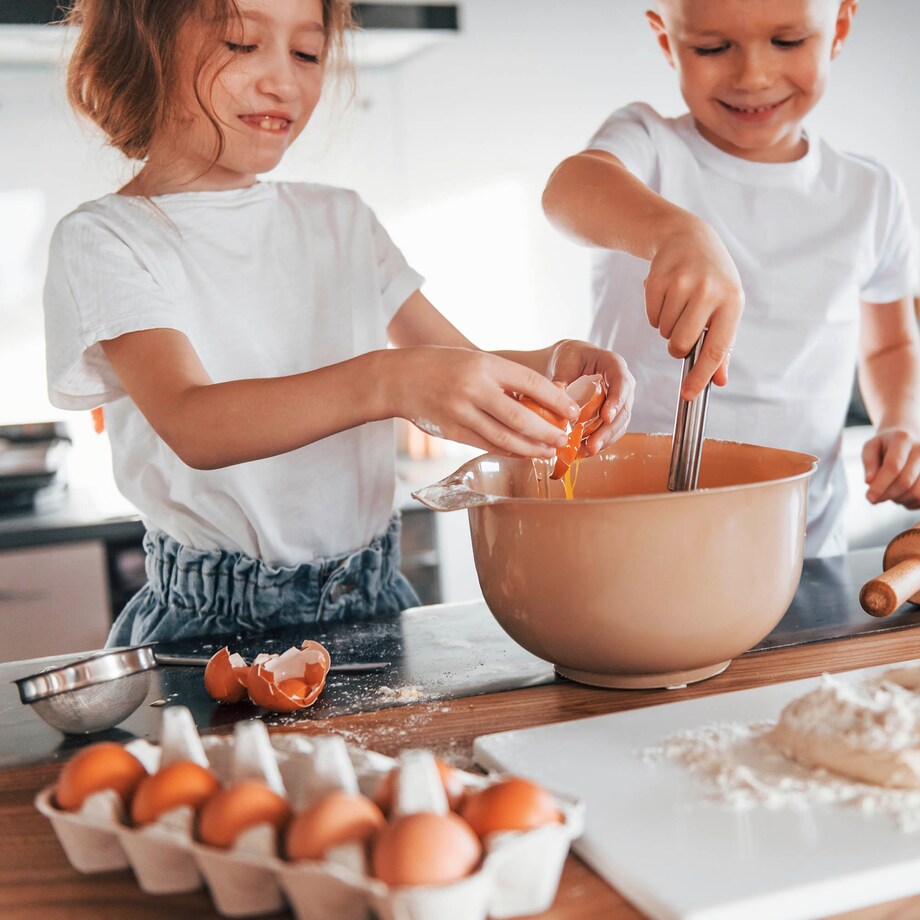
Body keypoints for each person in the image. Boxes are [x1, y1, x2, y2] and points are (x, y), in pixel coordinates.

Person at [43, 0, 634, 646]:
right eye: (242, 44)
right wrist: (390, 381)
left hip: (376, 602)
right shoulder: (107, 238)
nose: (284, 82)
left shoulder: (343, 221)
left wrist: (551, 369)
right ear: (143, 40)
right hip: (207, 629)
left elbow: (454, 363)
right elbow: (193, 421)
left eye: (307, 53)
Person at [543, 0, 920, 557]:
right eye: (713, 48)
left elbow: (891, 344)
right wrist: (674, 232)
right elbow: (568, 189)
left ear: (838, 27)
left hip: (802, 540)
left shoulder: (870, 193)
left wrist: (901, 421)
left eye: (787, 41)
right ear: (667, 40)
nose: (753, 76)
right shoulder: (648, 146)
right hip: (634, 535)